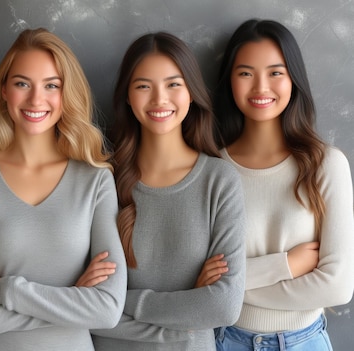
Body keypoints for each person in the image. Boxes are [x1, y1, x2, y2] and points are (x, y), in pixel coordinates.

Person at [0, 27, 127, 350]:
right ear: (4, 90)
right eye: (22, 83)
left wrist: (4, 290)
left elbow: (107, 310)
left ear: (66, 93)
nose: (35, 99)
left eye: (51, 85)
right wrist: (72, 301)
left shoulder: (95, 179)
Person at [90, 32, 247, 351]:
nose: (159, 99)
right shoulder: (103, 178)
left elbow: (223, 307)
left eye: (173, 84)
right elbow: (87, 308)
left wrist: (121, 303)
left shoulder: (219, 181)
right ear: (127, 97)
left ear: (191, 92)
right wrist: (187, 308)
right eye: (143, 86)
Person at [213, 19, 354, 351]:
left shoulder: (326, 164)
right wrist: (286, 265)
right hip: (224, 341)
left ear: (294, 79)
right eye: (246, 73)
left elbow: (337, 287)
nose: (261, 87)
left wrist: (231, 284)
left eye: (276, 72)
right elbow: (196, 278)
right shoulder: (212, 169)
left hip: (305, 342)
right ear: (229, 81)